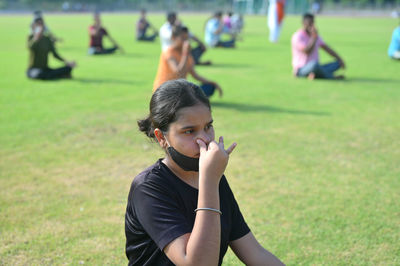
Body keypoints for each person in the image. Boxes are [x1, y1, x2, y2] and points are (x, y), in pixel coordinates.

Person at [125, 79, 285, 266]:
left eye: (208, 127)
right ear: (162, 137)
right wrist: (209, 181)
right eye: (189, 131)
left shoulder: (215, 179)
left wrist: (211, 179)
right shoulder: (148, 187)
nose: (206, 140)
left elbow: (254, 252)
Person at [153, 26, 221, 97]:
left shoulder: (187, 55)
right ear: (174, 38)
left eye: (187, 39)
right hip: (166, 90)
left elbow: (195, 75)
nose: (186, 42)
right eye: (183, 39)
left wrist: (213, 83)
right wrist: (185, 53)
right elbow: (178, 72)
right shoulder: (169, 53)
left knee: (209, 86)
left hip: (180, 88)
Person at [291, 13, 345, 80]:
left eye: (312, 23)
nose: (311, 26)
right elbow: (307, 51)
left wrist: (339, 59)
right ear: (303, 23)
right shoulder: (298, 36)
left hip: (317, 67)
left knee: (337, 63)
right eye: (309, 23)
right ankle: (332, 77)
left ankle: (315, 74)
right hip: (301, 69)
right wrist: (313, 37)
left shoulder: (315, 36)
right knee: (314, 65)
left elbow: (327, 49)